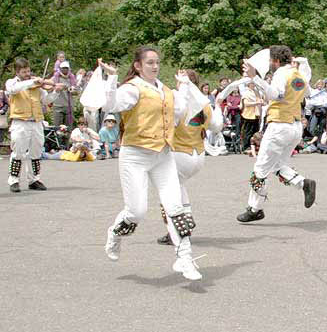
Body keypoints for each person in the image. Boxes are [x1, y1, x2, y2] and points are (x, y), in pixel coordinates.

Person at [97, 47, 209, 281]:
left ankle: (185, 257)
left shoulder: (166, 91)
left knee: (175, 207)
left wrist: (185, 87)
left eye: (157, 62)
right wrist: (112, 78)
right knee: (137, 211)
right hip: (135, 155)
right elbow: (110, 106)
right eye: (149, 63)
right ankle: (116, 232)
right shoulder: (132, 88)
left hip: (163, 155)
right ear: (138, 66)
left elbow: (181, 112)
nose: (155, 66)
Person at [235, 45, 317, 223]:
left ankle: (255, 209)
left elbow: (276, 94)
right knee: (277, 165)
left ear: (277, 61)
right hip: (295, 126)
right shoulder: (299, 75)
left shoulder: (281, 73)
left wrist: (255, 78)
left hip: (279, 125)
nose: (270, 64)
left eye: (271, 61)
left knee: (260, 169)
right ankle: (303, 183)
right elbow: (309, 92)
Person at [157, 69, 224, 245]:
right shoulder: (205, 104)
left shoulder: (178, 100)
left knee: (167, 191)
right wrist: (217, 106)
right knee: (178, 186)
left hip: (179, 153)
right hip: (199, 155)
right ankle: (186, 219)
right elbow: (217, 127)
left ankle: (176, 230)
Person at [6, 58, 63, 192]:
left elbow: (46, 100)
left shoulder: (37, 86)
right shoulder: (12, 82)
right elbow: (13, 90)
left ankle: (34, 179)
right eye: (24, 71)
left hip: (36, 121)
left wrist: (56, 91)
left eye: (28, 71)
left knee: (36, 152)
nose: (27, 73)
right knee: (18, 152)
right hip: (20, 121)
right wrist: (31, 81)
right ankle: (14, 180)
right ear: (17, 71)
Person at [51, 61, 78, 127]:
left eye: (66, 68)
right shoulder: (55, 77)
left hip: (69, 106)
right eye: (63, 68)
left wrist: (72, 90)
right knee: (57, 127)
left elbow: (76, 92)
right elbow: (49, 88)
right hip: (57, 105)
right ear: (60, 68)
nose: (65, 69)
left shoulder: (72, 78)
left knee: (68, 127)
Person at [240, 81, 262, 152]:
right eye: (252, 84)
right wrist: (256, 103)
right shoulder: (246, 93)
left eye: (254, 84)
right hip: (248, 114)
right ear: (248, 85)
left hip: (256, 114)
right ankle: (246, 147)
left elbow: (261, 100)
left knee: (255, 131)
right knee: (247, 131)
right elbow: (246, 103)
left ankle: (255, 146)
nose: (253, 85)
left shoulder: (256, 92)